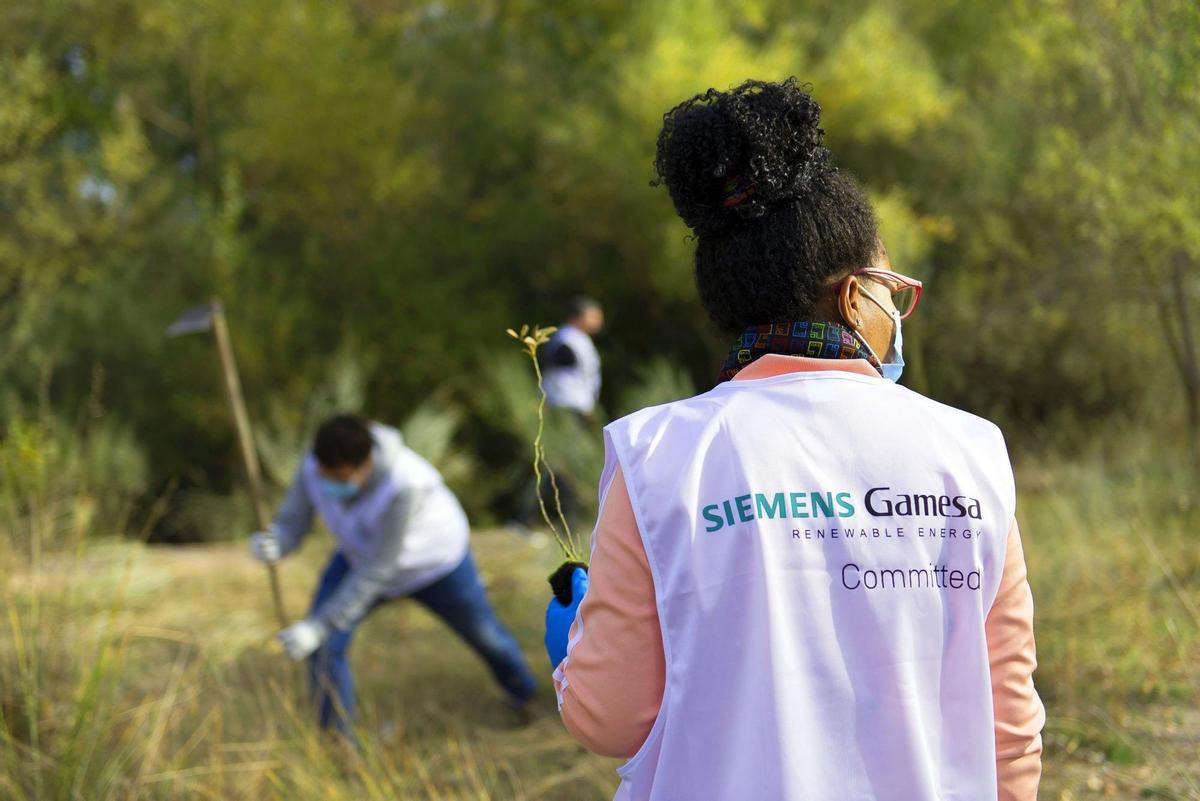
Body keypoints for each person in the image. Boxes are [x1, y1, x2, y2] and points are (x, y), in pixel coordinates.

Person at [544, 79, 1043, 801]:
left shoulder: (658, 457)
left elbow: (610, 718)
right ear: (852, 296)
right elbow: (1010, 727)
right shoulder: (970, 451)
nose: (896, 308)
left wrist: (573, 646)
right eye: (889, 288)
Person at [251, 414, 537, 734]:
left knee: (487, 637)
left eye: (341, 478)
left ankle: (527, 696)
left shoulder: (406, 484)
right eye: (324, 475)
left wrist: (319, 625)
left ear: (366, 464)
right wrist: (279, 542)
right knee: (325, 646)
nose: (329, 484)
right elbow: (294, 520)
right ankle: (337, 743)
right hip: (360, 554)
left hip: (435, 565)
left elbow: (377, 570)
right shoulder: (314, 466)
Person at [540, 296, 604, 422]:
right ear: (577, 317)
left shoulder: (579, 338)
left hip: (577, 403)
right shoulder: (567, 339)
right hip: (566, 403)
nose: (599, 321)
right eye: (593, 316)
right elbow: (559, 372)